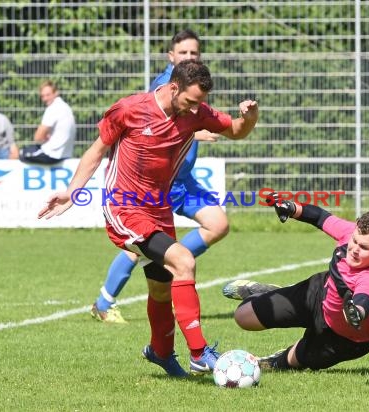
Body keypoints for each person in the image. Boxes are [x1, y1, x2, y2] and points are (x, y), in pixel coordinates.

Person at [38, 60, 259, 377]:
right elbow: (97, 149)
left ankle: (161, 352)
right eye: (191, 101)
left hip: (159, 210)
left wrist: (249, 118)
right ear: (173, 87)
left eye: (200, 103)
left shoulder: (195, 112)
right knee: (183, 260)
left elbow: (236, 131)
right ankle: (199, 353)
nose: (196, 109)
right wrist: (73, 191)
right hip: (124, 208)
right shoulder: (129, 109)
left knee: (161, 288)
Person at [91, 29, 226, 324]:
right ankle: (105, 302)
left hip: (183, 180)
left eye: (194, 53)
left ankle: (172, 264)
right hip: (158, 184)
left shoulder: (193, 85)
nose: (189, 57)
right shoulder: (168, 85)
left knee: (218, 224)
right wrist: (196, 130)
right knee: (139, 247)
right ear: (171, 57)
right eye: (184, 53)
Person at [222, 191, 369, 371]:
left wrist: (356, 312)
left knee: (290, 362)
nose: (355, 249)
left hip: (343, 338)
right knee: (242, 317)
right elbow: (320, 217)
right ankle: (272, 293)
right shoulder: (352, 232)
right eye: (355, 241)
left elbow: (365, 299)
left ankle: (277, 360)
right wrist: (291, 208)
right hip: (319, 292)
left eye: (364, 247)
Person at [20, 80, 76, 164]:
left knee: (20, 153)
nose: (45, 99)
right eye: (42, 96)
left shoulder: (53, 108)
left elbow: (37, 137)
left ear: (56, 93)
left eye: (48, 95)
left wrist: (43, 136)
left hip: (53, 155)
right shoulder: (65, 107)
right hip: (66, 154)